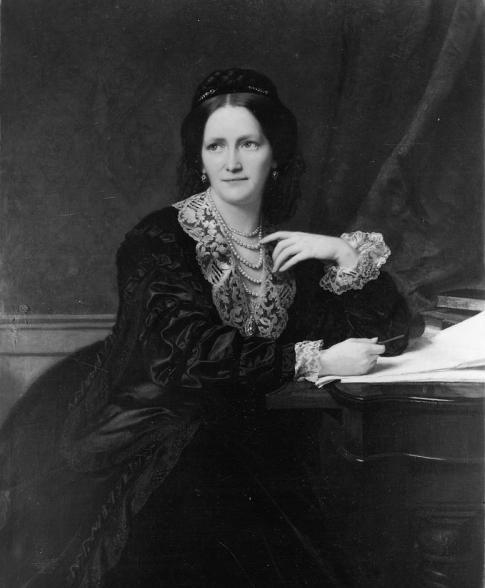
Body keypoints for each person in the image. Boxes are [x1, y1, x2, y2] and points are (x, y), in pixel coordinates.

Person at [0, 68, 410, 587]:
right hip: (164, 439)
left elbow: (391, 335)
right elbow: (189, 354)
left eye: (248, 144)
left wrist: (342, 253)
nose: (231, 162)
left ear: (276, 154)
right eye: (216, 146)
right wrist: (314, 359)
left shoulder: (291, 250)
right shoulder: (160, 240)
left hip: (257, 446)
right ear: (199, 158)